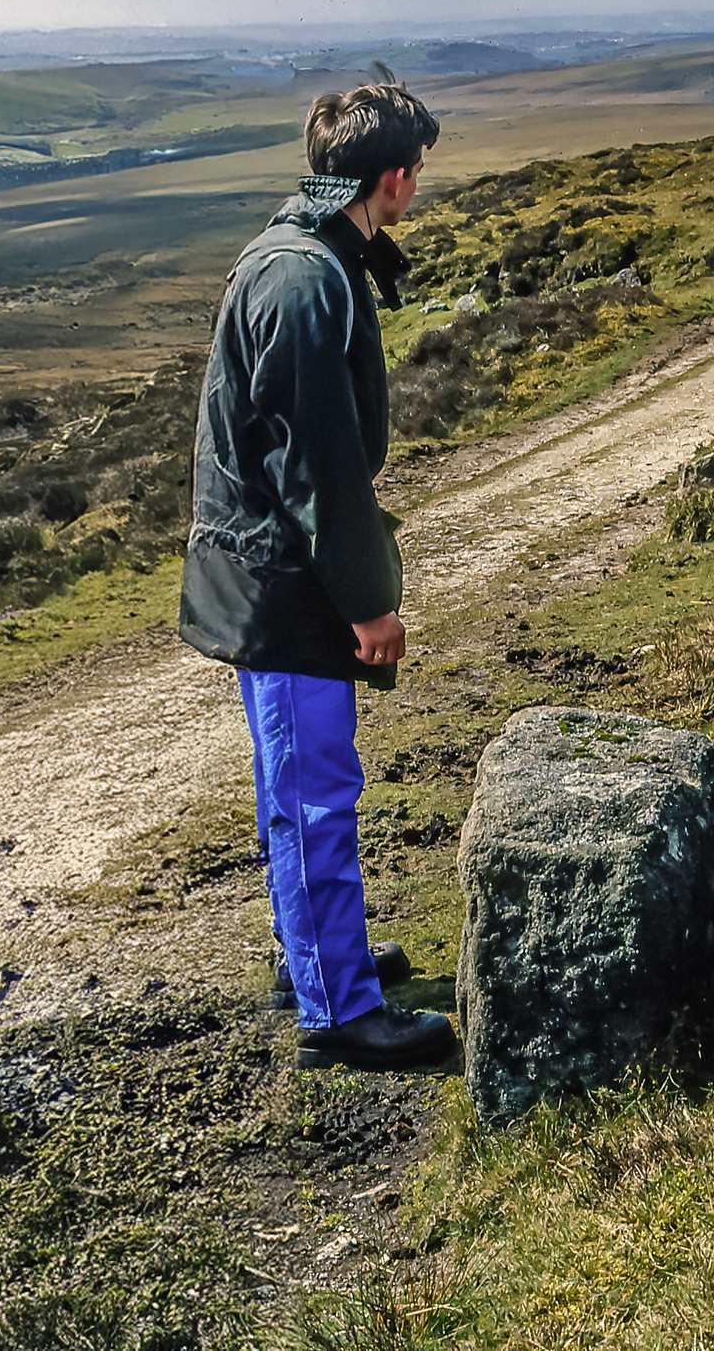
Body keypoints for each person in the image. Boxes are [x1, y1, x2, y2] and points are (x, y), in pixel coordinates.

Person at [179, 69, 457, 1072]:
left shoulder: (304, 252)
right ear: (391, 177)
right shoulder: (306, 278)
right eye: (414, 170)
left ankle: (318, 954)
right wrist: (370, 604)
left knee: (292, 783)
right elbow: (319, 468)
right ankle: (337, 1005)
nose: (415, 186)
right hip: (284, 579)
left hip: (268, 568)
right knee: (314, 790)